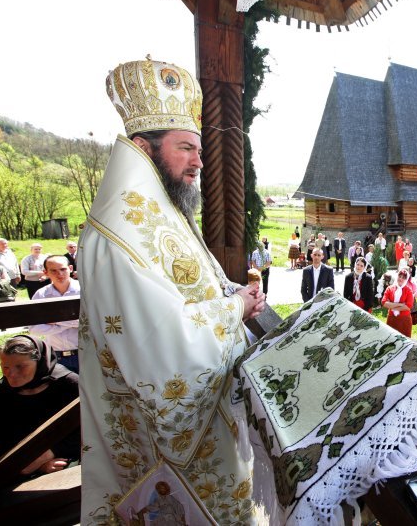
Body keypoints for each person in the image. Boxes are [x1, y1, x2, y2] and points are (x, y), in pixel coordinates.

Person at [78, 58, 266, 524]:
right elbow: (163, 348)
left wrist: (227, 291)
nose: (199, 162)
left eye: (198, 149)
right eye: (186, 148)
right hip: (163, 443)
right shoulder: (121, 231)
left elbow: (189, 282)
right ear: (144, 147)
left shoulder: (158, 210)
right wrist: (234, 309)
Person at [0, 335, 80, 478]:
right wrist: (33, 465)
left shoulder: (68, 385)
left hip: (67, 457)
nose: (11, 374)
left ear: (40, 361)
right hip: (16, 466)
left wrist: (48, 455)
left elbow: (88, 430)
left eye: (20, 366)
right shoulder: (3, 391)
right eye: (5, 367)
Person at [28, 256, 81, 373]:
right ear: (45, 272)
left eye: (63, 269)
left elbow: (89, 322)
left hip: (85, 353)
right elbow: (34, 329)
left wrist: (55, 321)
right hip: (56, 356)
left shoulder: (83, 290)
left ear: (70, 268)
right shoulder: (41, 295)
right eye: (53, 271)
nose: (59, 274)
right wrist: (72, 322)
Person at [381, 267, 414, 337]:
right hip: (391, 319)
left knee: (405, 342)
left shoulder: (408, 290)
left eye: (403, 277)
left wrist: (392, 306)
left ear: (406, 279)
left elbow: (408, 306)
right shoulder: (390, 288)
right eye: (400, 276)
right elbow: (384, 302)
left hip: (404, 320)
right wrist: (400, 304)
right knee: (390, 340)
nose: (401, 279)